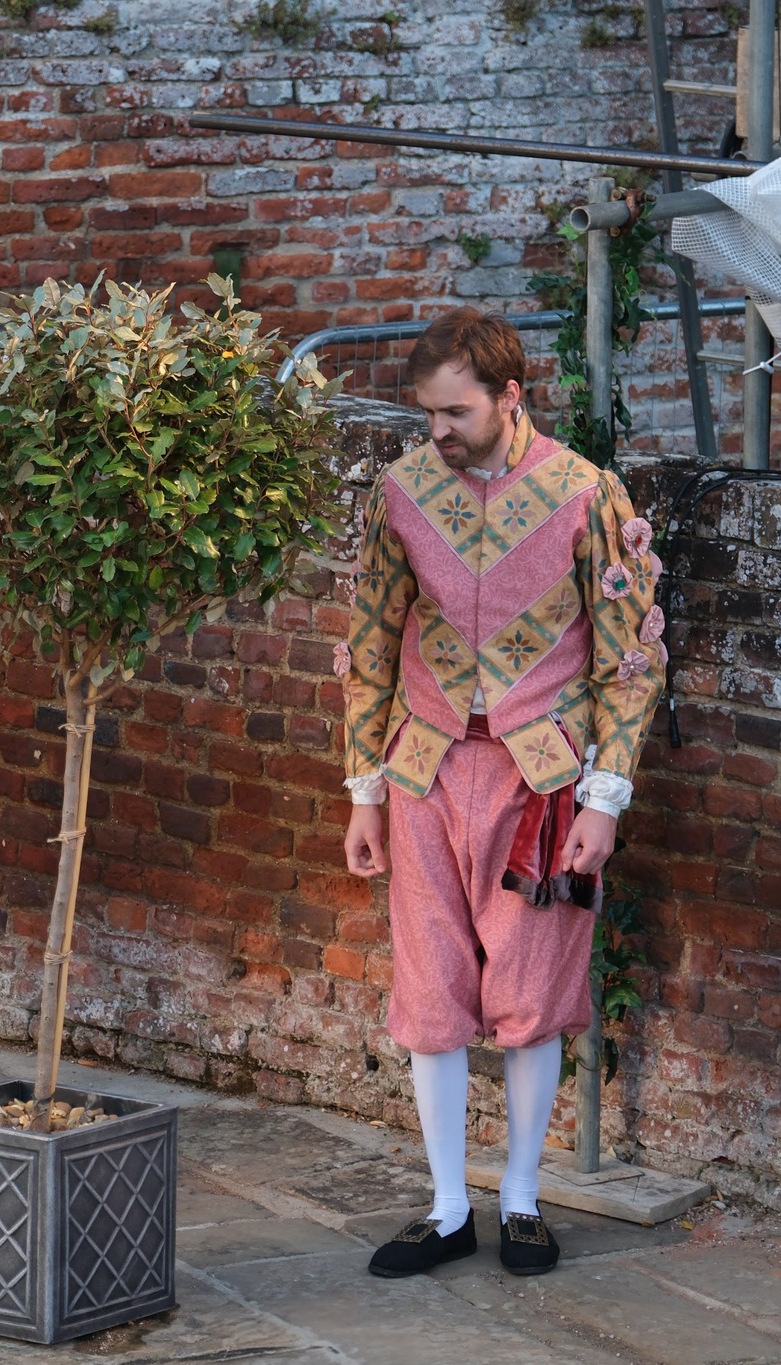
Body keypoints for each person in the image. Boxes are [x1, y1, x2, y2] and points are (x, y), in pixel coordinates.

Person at [339, 308, 664, 1277]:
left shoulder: (584, 494)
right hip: (424, 769)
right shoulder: (400, 493)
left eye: (455, 412)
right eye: (427, 413)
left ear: (508, 395)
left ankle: (520, 1198)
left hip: (544, 783)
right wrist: (362, 791)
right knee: (429, 990)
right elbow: (368, 646)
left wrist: (604, 800)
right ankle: (447, 1208)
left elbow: (630, 662)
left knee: (532, 994)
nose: (437, 430)